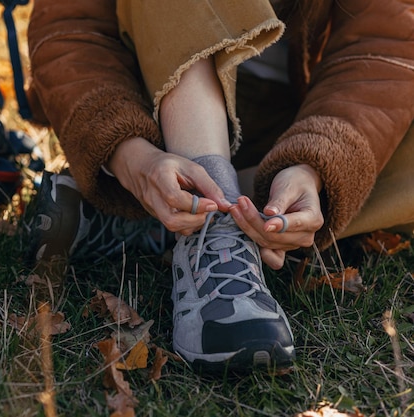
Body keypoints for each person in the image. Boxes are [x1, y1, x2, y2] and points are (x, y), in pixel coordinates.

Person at [22, 0, 414, 372]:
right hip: (155, 106)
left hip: (294, 120)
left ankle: (152, 218)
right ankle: (215, 244)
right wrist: (130, 156)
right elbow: (70, 30)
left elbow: (385, 46)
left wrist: (313, 165)